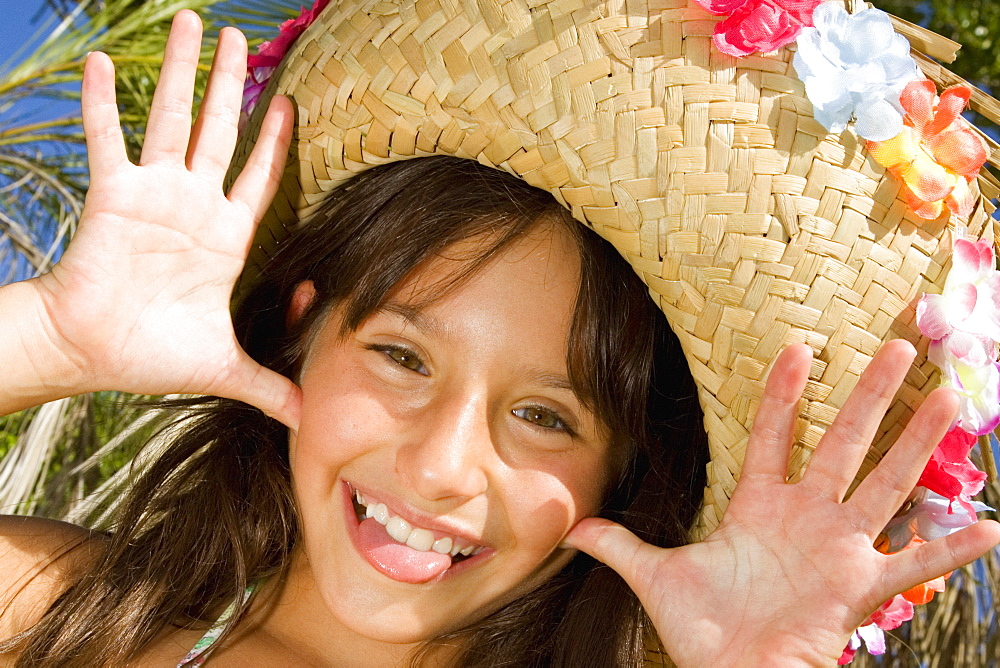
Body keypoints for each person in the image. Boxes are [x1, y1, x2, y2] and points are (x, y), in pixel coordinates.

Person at [1, 9, 998, 667]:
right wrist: (51, 335)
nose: (438, 466)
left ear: (625, 474)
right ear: (300, 330)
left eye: (541, 414)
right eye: (401, 356)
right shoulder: (71, 613)